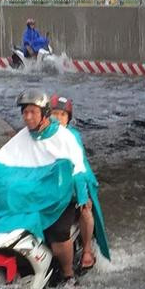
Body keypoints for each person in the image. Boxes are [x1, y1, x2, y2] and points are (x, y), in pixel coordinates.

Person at [0, 89, 108, 280]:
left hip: (62, 193)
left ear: (44, 114)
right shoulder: (24, 136)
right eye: (25, 112)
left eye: (32, 112)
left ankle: (69, 274)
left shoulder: (65, 136)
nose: (27, 117)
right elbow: (3, 158)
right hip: (36, 192)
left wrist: (81, 192)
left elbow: (77, 165)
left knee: (59, 233)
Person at [51, 93, 98, 271]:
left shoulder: (72, 136)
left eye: (62, 115)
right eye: (54, 113)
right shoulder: (41, 135)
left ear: (68, 119)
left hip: (74, 183)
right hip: (49, 187)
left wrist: (80, 191)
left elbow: (78, 165)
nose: (58, 118)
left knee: (85, 207)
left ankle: (86, 250)